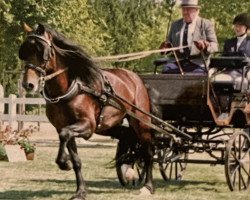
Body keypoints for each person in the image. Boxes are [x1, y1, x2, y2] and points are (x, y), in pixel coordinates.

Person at [160, 0, 218, 74]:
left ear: (197, 11)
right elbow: (169, 43)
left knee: (192, 79)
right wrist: (166, 48)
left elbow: (215, 45)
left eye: (188, 9)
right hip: (177, 61)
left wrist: (205, 45)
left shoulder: (206, 24)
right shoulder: (175, 25)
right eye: (183, 9)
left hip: (197, 63)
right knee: (166, 72)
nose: (185, 12)